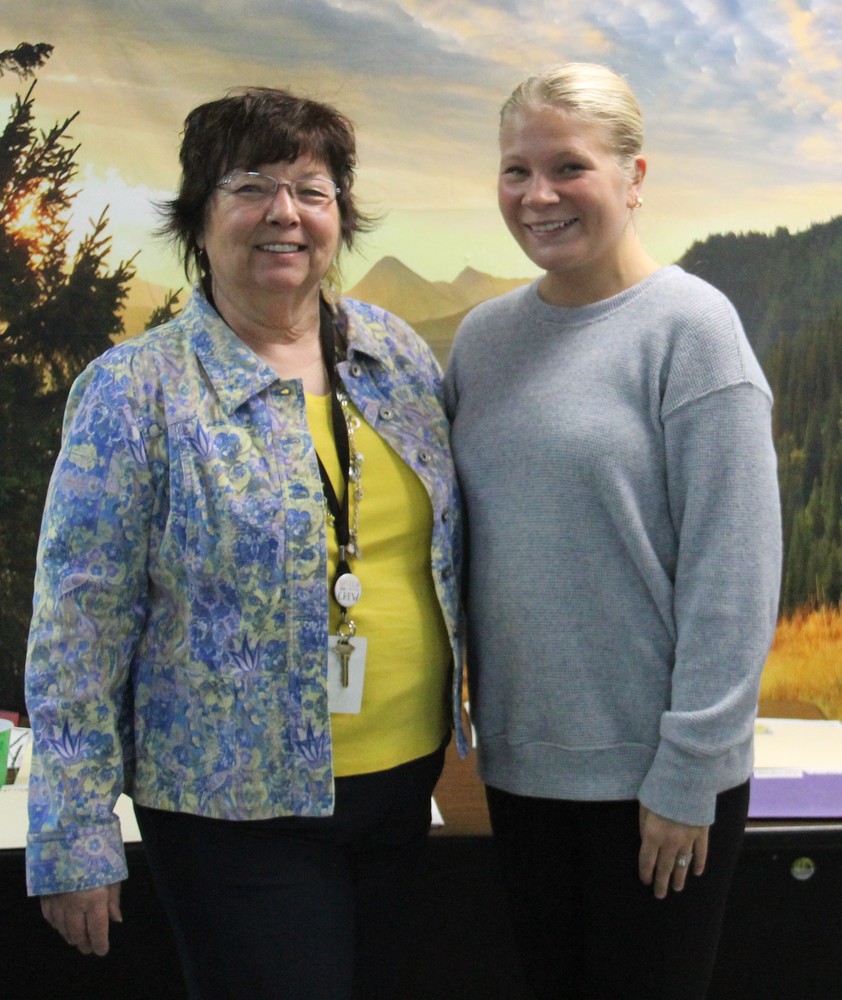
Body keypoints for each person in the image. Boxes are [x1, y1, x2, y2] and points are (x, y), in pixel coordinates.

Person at [25, 86, 467, 1000]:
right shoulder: (135, 391)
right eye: (251, 184)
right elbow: (79, 623)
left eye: (312, 188)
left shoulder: (396, 358)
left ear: (341, 215)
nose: (285, 213)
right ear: (198, 214)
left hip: (402, 788)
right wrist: (72, 833)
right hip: (233, 814)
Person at [444, 63, 781, 1000]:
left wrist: (689, 777)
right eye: (516, 170)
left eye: (569, 167)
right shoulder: (484, 339)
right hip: (519, 774)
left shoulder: (693, 332)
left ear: (634, 178)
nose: (537, 195)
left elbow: (736, 576)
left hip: (656, 785)